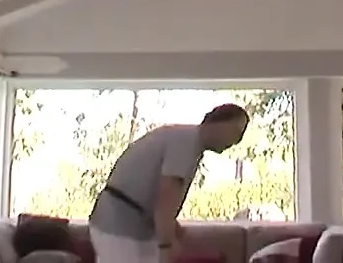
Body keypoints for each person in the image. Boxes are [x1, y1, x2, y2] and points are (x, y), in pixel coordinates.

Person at [88, 103, 249, 263]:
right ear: (219, 122)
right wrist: (166, 246)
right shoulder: (186, 143)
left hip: (130, 225)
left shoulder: (187, 141)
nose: (237, 141)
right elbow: (165, 202)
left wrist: (176, 234)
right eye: (237, 131)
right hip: (118, 226)